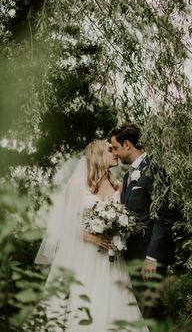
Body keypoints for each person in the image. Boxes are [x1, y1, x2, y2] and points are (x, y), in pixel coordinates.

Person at [34, 140, 147, 332]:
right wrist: (92, 237)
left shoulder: (118, 186)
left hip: (111, 258)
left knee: (112, 302)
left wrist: (119, 230)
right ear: (97, 155)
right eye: (110, 150)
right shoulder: (78, 184)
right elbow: (63, 224)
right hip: (84, 255)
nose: (115, 153)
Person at [109, 123, 176, 317]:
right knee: (140, 314)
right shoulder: (128, 176)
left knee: (151, 313)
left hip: (149, 258)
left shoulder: (155, 169)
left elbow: (164, 216)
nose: (115, 153)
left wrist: (152, 257)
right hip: (132, 256)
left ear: (127, 144)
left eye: (115, 147)